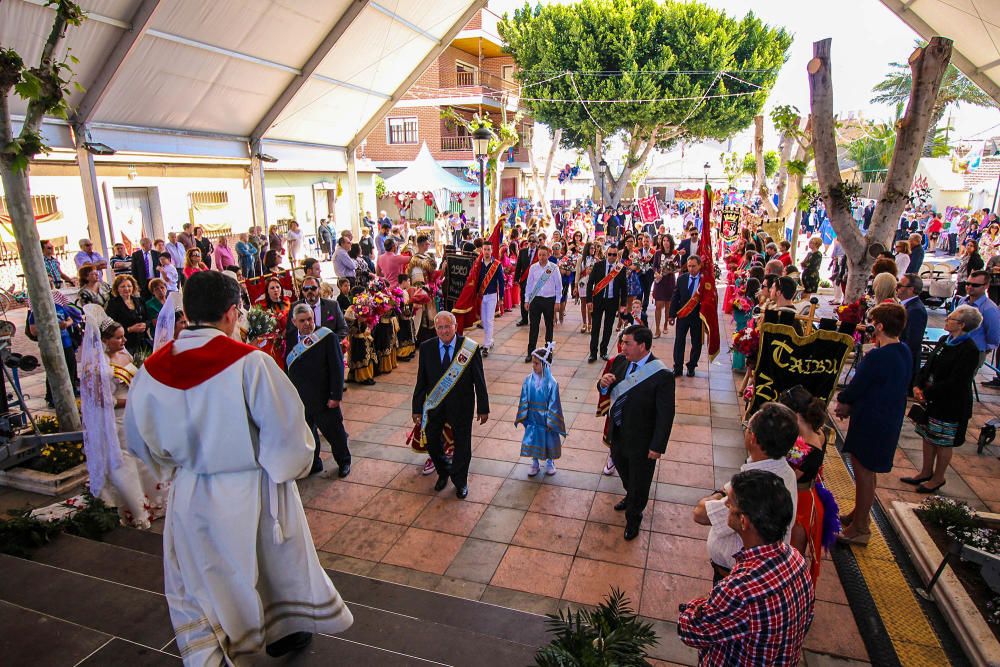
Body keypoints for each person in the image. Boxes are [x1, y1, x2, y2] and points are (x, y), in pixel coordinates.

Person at [125, 271, 353, 662]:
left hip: (192, 490)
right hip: (254, 487)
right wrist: (285, 467)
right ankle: (282, 633)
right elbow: (289, 436)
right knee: (270, 567)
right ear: (232, 313)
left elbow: (139, 442)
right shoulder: (251, 364)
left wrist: (178, 469)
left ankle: (216, 648)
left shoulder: (151, 371)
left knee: (204, 577)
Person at [678, 469, 815, 666]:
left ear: (743, 521)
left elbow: (689, 631)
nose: (725, 505)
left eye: (730, 503)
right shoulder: (797, 560)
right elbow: (807, 620)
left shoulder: (738, 590)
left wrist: (698, 605)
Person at [80, 306, 167, 529]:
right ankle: (136, 510)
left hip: (135, 415)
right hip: (116, 420)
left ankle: (154, 502)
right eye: (118, 338)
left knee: (144, 458)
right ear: (105, 340)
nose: (123, 340)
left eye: (123, 336)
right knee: (125, 463)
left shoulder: (124, 354)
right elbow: (101, 401)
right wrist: (132, 399)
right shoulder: (95, 367)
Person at [694, 402, 800, 580]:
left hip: (735, 575)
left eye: (747, 427)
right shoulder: (785, 472)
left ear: (753, 438)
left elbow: (700, 514)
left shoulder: (755, 488)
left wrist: (721, 493)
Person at [834, 303, 912, 545]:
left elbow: (858, 384)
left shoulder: (878, 356)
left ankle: (860, 528)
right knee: (869, 471)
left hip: (872, 419)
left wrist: (844, 402)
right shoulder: (904, 350)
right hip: (888, 418)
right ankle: (859, 514)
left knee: (864, 472)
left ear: (879, 326)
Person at [597, 325, 674, 540]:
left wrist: (657, 446)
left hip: (642, 440)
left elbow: (666, 415)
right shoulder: (620, 362)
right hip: (619, 433)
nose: (622, 347)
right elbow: (607, 390)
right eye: (622, 342)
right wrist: (602, 385)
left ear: (642, 345)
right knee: (624, 471)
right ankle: (631, 496)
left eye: (627, 343)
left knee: (640, 479)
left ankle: (634, 517)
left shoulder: (662, 375)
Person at [904, 305, 982, 493]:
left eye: (951, 319)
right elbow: (928, 365)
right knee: (927, 435)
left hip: (950, 403)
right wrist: (917, 384)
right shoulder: (944, 340)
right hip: (932, 398)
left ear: (961, 325)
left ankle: (938, 477)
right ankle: (925, 471)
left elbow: (957, 381)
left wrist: (927, 393)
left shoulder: (969, 349)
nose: (946, 320)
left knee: (942, 440)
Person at [411, 311, 489, 499]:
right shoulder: (427, 347)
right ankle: (444, 471)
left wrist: (483, 407)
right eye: (440, 327)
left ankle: (460, 480)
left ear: (455, 326)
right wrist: (416, 407)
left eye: (447, 326)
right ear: (435, 329)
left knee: (463, 445)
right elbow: (421, 381)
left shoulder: (469, 348)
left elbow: (479, 380)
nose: (444, 331)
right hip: (435, 405)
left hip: (461, 405)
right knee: (431, 439)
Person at [285, 302, 352, 478]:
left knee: (335, 434)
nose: (307, 324)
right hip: (301, 399)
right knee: (308, 435)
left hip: (324, 398)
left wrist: (335, 395)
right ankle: (314, 463)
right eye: (302, 321)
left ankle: (344, 461)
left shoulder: (326, 336)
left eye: (309, 319)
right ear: (294, 322)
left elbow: (337, 368)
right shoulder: (290, 337)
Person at [779, 386, 839, 583]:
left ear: (795, 414)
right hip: (804, 495)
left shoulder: (808, 448)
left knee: (792, 560)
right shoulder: (816, 432)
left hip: (801, 505)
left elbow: (787, 476)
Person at [516, 343, 566, 477]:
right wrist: (523, 414)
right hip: (533, 418)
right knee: (534, 439)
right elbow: (524, 397)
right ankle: (535, 463)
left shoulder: (552, 383)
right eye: (533, 363)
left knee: (548, 440)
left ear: (544, 364)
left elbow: (554, 403)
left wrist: (551, 420)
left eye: (536, 363)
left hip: (546, 419)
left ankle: (550, 462)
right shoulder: (528, 380)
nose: (533, 366)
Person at [587, 244, 627, 362]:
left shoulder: (620, 269)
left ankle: (603, 351)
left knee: (608, 328)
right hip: (598, 301)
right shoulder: (598, 265)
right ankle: (593, 353)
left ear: (617, 255)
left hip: (612, 301)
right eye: (610, 254)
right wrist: (589, 300)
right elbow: (590, 283)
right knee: (595, 328)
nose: (612, 257)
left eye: (614, 254)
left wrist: (623, 304)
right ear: (606, 254)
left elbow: (624, 288)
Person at [524, 245, 561, 363]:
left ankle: (548, 352)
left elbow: (559, 286)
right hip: (535, 300)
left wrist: (557, 302)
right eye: (540, 255)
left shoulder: (553, 268)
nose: (541, 257)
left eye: (544, 255)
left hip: (549, 301)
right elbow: (529, 285)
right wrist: (526, 300)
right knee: (533, 327)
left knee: (549, 327)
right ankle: (531, 352)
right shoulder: (533, 268)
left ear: (548, 255)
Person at [669, 256, 704, 377]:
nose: (691, 269)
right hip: (683, 315)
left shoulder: (705, 281)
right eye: (689, 266)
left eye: (694, 266)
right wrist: (671, 315)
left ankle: (691, 366)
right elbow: (675, 297)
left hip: (697, 317)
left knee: (696, 342)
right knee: (679, 341)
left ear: (699, 266)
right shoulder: (682, 279)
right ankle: (677, 367)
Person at [287, 276, 347, 341]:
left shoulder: (333, 305)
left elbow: (343, 328)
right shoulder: (295, 307)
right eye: (306, 289)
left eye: (313, 288)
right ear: (302, 291)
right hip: (304, 348)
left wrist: (332, 342)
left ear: (319, 289)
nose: (309, 291)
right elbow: (291, 331)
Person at [105, 275, 150, 355]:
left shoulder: (139, 301)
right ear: (117, 289)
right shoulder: (113, 304)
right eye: (122, 286)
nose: (126, 289)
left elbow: (148, 318)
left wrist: (145, 325)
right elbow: (111, 326)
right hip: (125, 343)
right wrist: (130, 329)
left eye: (129, 286)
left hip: (142, 342)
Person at [898, 273, 928, 385]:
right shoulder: (909, 306)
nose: (897, 287)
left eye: (900, 285)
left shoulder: (915, 310)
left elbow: (913, 342)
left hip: (905, 361)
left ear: (911, 289)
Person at [476, 242, 505, 356]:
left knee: (489, 320)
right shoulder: (478, 264)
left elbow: (501, 282)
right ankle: (490, 340)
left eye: (489, 249)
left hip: (492, 295)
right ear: (482, 250)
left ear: (492, 251)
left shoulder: (497, 265)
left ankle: (486, 345)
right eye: (485, 249)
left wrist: (501, 298)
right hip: (481, 296)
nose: (487, 251)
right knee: (483, 321)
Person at [651, 234, 678, 338]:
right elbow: (654, 266)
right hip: (660, 282)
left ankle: (665, 325)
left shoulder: (675, 254)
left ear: (671, 242)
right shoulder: (658, 253)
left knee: (668, 306)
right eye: (664, 240)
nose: (665, 242)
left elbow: (678, 267)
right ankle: (657, 329)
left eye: (667, 240)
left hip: (670, 282)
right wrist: (657, 273)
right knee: (658, 306)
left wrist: (671, 270)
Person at [514, 235, 538, 325]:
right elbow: (518, 266)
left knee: (534, 300)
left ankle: (534, 320)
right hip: (524, 280)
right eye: (530, 241)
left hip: (535, 281)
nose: (531, 243)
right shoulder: (522, 251)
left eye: (534, 241)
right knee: (524, 299)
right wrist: (516, 278)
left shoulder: (540, 252)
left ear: (537, 243)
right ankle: (524, 319)